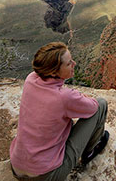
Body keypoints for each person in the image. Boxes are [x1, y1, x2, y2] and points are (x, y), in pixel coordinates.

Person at [10, 42, 109, 180]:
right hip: (46, 175)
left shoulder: (30, 79)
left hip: (16, 167)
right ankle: (90, 151)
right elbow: (93, 107)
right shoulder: (64, 97)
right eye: (69, 64)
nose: (74, 64)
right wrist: (79, 96)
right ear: (52, 71)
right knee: (101, 104)